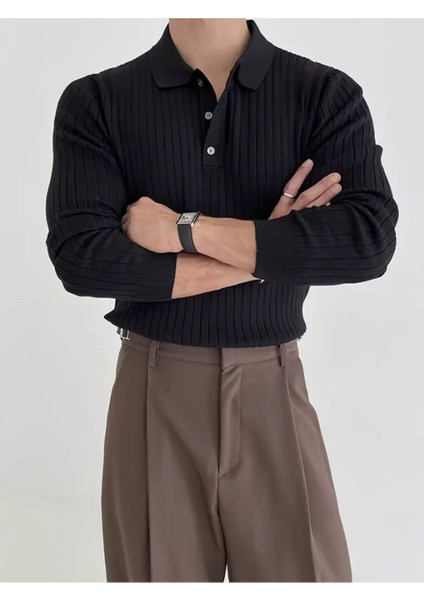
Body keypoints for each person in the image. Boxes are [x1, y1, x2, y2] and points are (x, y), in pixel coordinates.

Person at [45, 18, 398, 582]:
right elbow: (83, 259)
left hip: (275, 387)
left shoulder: (324, 94)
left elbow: (366, 243)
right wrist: (273, 245)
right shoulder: (98, 101)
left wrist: (184, 229)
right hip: (152, 392)